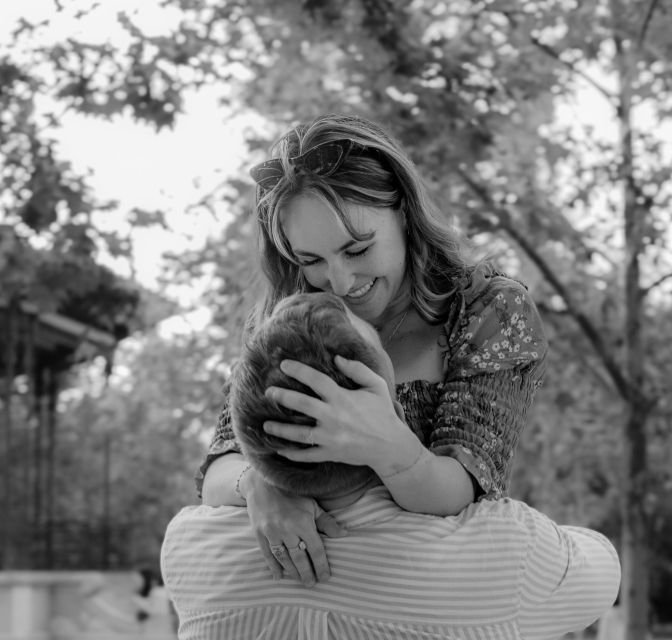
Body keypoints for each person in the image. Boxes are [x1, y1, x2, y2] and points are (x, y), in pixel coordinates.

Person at [197, 113, 549, 585]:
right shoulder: (288, 313)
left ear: (404, 211)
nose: (340, 282)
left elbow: (462, 492)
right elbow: (220, 464)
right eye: (311, 260)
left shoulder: (488, 310)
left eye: (357, 249)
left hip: (433, 588)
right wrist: (259, 484)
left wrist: (386, 444)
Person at [162, 292, 620, 640]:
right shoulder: (502, 548)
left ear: (244, 437)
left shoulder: (188, 547)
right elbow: (604, 570)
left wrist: (257, 478)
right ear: (392, 409)